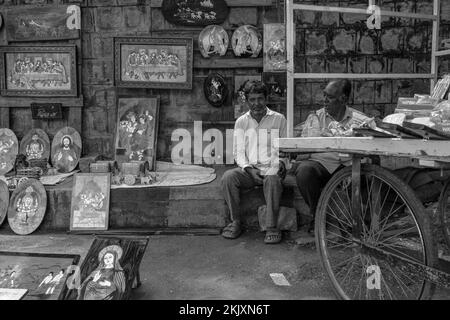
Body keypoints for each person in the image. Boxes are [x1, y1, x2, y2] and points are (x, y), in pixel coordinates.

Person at [291, 79, 376, 233]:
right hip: (322, 165)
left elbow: (374, 148)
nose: (324, 101)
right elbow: (303, 148)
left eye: (329, 97)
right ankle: (317, 216)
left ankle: (356, 222)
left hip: (349, 166)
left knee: (362, 176)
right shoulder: (316, 118)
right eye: (324, 95)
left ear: (343, 99)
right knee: (305, 172)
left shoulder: (360, 120)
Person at [221, 81, 287, 244]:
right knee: (228, 177)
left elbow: (286, 148)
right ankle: (236, 221)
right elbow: (238, 153)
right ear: (247, 101)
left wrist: (281, 163)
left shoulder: (278, 119)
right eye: (252, 100)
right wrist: (249, 170)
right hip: (249, 170)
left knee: (272, 178)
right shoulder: (242, 122)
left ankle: (271, 226)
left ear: (266, 99)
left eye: (260, 99)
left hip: (271, 168)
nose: (256, 103)